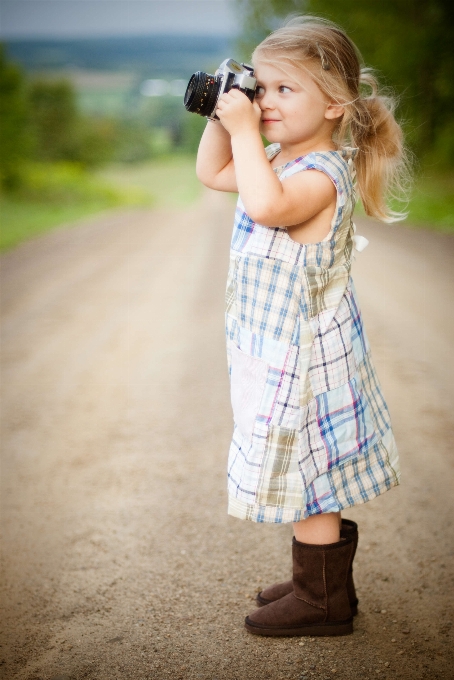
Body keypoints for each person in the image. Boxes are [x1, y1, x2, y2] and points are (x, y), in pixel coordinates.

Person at [196, 15, 410, 637]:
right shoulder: (279, 160)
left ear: (336, 105)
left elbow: (264, 207)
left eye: (286, 90)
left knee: (309, 469)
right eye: (259, 88)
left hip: (309, 358)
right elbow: (214, 177)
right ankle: (319, 579)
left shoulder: (320, 175)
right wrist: (221, 119)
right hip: (276, 349)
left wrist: (241, 128)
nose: (265, 103)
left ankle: (324, 602)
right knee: (297, 461)